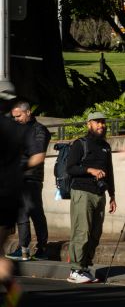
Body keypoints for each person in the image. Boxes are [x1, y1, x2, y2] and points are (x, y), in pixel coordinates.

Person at [0, 85, 44, 307]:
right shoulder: (21, 129)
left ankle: (12, 289)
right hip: (11, 196)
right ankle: (12, 290)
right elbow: (38, 156)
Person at [66, 112, 117, 284]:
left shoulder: (106, 147)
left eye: (103, 122)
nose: (101, 125)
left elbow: (110, 172)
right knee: (82, 232)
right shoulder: (80, 144)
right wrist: (90, 170)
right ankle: (75, 269)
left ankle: (85, 267)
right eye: (97, 122)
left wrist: (112, 195)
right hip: (82, 192)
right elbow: (70, 168)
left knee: (95, 233)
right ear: (89, 124)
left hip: (99, 194)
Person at [7, 101, 51, 261]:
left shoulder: (39, 130)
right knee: (23, 213)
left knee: (34, 212)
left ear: (28, 112)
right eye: (14, 117)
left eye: (18, 116)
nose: (16, 119)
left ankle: (39, 248)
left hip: (31, 178)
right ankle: (25, 249)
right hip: (20, 177)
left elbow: (38, 157)